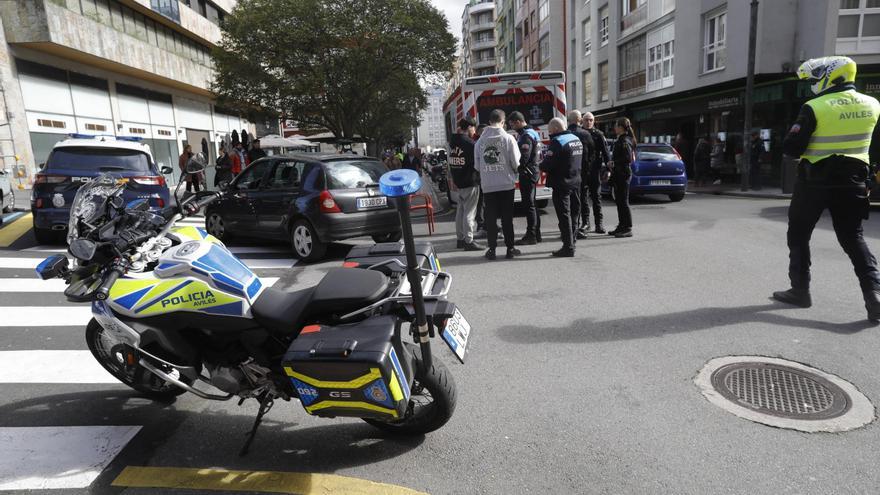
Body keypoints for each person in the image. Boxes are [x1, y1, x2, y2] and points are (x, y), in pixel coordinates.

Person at [772, 56, 880, 321]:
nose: (813, 84)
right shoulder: (873, 104)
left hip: (814, 182)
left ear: (833, 75)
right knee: (853, 238)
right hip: (853, 181)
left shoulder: (816, 106)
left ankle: (800, 291)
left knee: (798, 234)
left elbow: (791, 148)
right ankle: (875, 296)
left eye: (815, 78)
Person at [476, 109, 521, 260]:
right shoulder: (509, 139)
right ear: (503, 122)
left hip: (488, 185)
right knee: (507, 218)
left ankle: (492, 250)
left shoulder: (480, 142)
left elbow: (477, 165)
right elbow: (516, 161)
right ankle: (510, 248)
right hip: (506, 184)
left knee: (490, 218)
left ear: (489, 122)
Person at [540, 118, 583, 257]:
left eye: (550, 131)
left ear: (556, 130)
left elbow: (547, 165)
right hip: (576, 181)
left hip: (561, 183)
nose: (550, 134)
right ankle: (573, 241)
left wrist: (540, 164)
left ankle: (568, 247)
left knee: (564, 216)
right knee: (575, 212)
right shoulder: (576, 139)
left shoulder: (557, 142)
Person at [449, 117, 483, 251]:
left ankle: (460, 239)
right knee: (469, 212)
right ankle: (469, 241)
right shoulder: (470, 144)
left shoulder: (453, 142)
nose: (474, 132)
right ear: (469, 127)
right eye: (473, 128)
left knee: (460, 211)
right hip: (470, 181)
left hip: (459, 181)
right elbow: (478, 162)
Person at [509, 111, 542, 245]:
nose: (511, 127)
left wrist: (516, 167)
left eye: (512, 124)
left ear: (518, 121)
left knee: (529, 205)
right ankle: (536, 234)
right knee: (532, 205)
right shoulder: (532, 132)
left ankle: (531, 235)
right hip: (533, 171)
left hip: (528, 173)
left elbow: (524, 157)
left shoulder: (526, 136)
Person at [565, 111, 595, 239]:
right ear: (580, 120)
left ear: (569, 120)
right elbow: (592, 154)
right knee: (581, 200)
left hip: (567, 174)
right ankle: (581, 226)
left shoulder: (565, 134)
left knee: (568, 202)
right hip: (581, 173)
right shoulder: (585, 134)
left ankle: (569, 229)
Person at [579, 112, 609, 235]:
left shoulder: (599, 135)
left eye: (591, 120)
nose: (589, 122)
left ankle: (599, 224)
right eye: (586, 120)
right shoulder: (579, 134)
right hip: (582, 171)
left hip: (595, 170)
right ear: (582, 121)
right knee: (583, 198)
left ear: (594, 121)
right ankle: (586, 223)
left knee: (596, 198)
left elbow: (606, 152)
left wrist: (608, 169)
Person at [609, 118, 636, 238]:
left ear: (621, 127)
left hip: (623, 174)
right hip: (619, 174)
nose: (614, 127)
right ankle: (621, 225)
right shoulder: (620, 139)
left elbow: (627, 158)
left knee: (624, 202)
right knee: (619, 201)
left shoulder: (625, 140)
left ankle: (628, 227)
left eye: (616, 125)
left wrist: (614, 163)